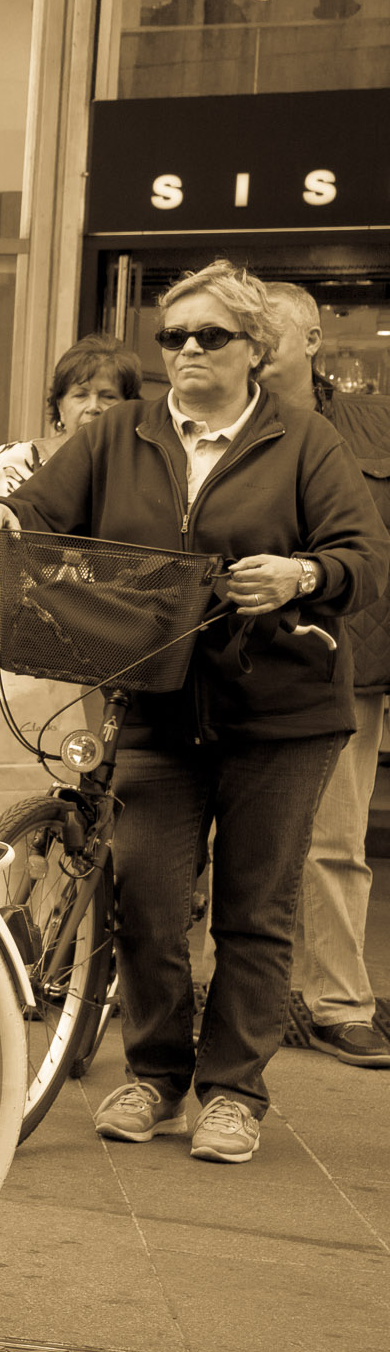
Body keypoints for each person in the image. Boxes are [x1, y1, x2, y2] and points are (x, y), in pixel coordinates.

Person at [0, 261, 389, 1162]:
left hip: (281, 709)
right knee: (149, 900)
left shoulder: (304, 441)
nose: (187, 351)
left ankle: (233, 1090)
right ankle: (154, 1073)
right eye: (174, 337)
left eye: (210, 337)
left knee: (254, 907)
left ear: (255, 351)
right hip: (155, 698)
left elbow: (363, 557)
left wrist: (301, 574)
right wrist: (5, 513)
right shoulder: (121, 432)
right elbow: (41, 502)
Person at [262, 279, 390, 1068]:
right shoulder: (213, 424)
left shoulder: (375, 423)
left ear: (313, 339)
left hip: (348, 662)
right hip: (234, 659)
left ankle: (339, 999)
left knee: (336, 840)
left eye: (268, 327)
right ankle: (215, 995)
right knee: (216, 838)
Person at [0, 336, 141, 824]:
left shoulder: (141, 475)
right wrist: (39, 597)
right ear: (58, 406)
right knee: (21, 808)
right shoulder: (14, 462)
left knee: (103, 812)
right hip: (17, 661)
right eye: (80, 394)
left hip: (112, 666)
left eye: (109, 396)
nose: (93, 407)